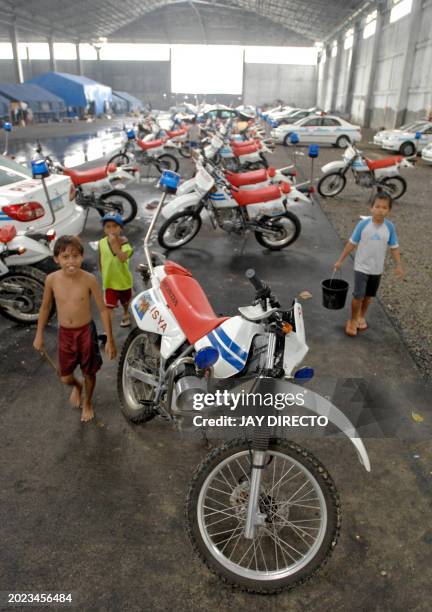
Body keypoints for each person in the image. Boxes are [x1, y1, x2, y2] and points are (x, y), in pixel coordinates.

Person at [33, 236, 116, 422]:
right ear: (56, 259)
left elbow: (103, 310)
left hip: (86, 333)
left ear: (81, 257)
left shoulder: (89, 279)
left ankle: (88, 402)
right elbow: (45, 308)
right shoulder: (51, 280)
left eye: (75, 256)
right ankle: (77, 388)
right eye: (65, 256)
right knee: (65, 378)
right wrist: (39, 335)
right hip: (65, 335)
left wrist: (110, 339)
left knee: (89, 372)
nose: (71, 261)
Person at [334, 193, 404, 337]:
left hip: (377, 269)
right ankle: (353, 320)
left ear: (389, 210)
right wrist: (340, 260)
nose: (380, 210)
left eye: (384, 207)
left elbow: (394, 247)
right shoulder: (363, 224)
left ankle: (361, 316)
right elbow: (351, 243)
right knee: (359, 295)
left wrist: (398, 264)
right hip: (361, 267)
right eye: (377, 206)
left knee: (369, 296)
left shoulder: (390, 227)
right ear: (371, 208)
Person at [99, 213, 133, 328]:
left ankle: (125, 312)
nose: (111, 229)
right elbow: (101, 257)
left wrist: (115, 245)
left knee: (125, 302)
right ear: (104, 229)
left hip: (123, 282)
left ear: (121, 228)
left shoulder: (125, 244)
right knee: (109, 307)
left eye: (115, 226)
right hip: (109, 282)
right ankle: (108, 333)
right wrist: (102, 272)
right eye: (108, 226)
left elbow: (123, 258)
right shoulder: (102, 243)